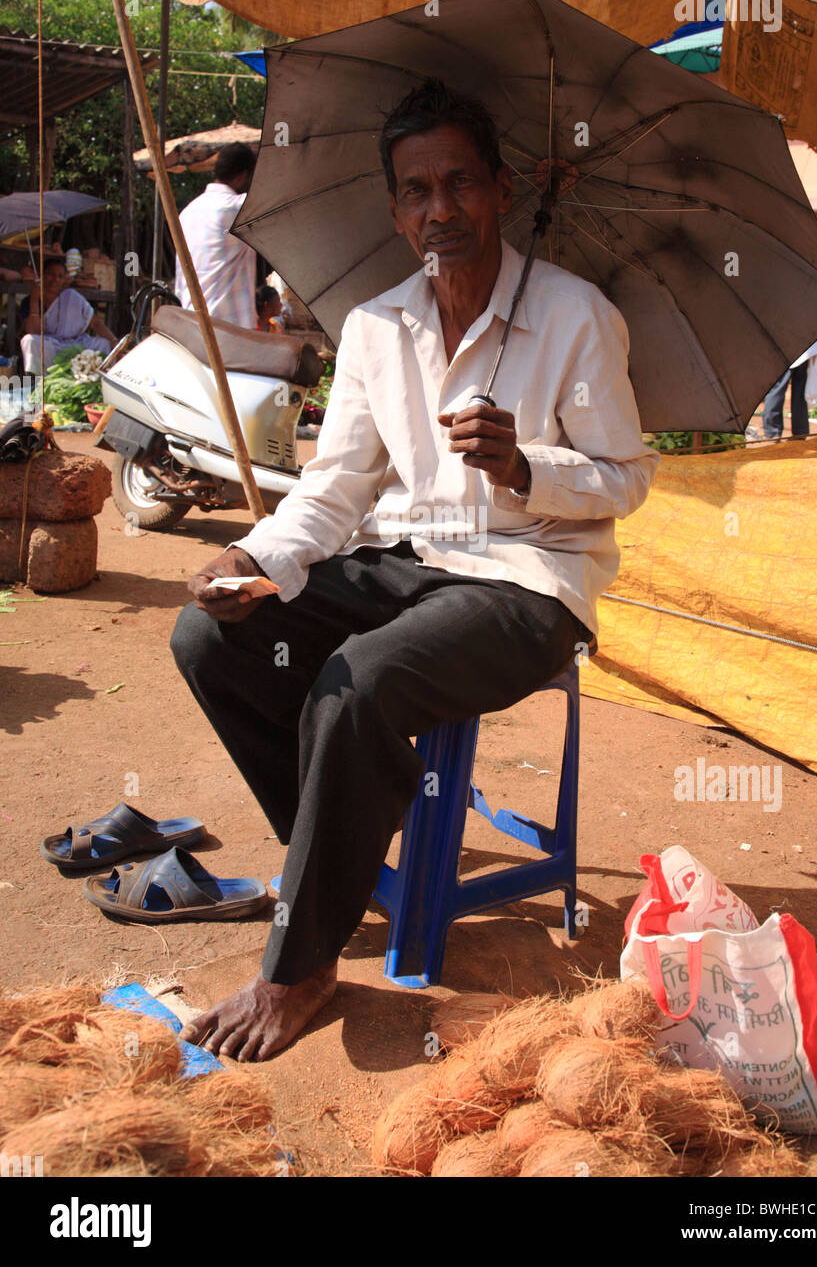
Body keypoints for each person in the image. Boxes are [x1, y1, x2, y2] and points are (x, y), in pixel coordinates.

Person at [170, 80, 659, 1062]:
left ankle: (298, 964)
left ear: (499, 188)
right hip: (407, 558)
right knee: (211, 634)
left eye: (459, 183)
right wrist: (255, 555)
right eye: (417, 190)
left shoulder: (573, 316)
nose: (441, 209)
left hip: (528, 581)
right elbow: (336, 488)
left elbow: (626, 481)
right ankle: (334, 863)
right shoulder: (373, 327)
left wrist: (527, 465)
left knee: (366, 682)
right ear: (396, 211)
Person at [174, 143, 257, 330]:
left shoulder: (187, 213)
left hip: (191, 325)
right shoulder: (237, 208)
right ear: (243, 176)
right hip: (228, 333)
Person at [19, 258, 116, 375]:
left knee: (103, 343)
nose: (56, 279)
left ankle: (98, 379)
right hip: (51, 345)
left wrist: (114, 341)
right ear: (41, 275)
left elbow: (95, 323)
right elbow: (33, 332)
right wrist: (34, 299)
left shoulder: (71, 297)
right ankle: (41, 380)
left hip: (76, 343)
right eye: (51, 274)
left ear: (64, 279)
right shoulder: (29, 301)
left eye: (60, 276)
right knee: (29, 340)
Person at [761, 340, 817, 440]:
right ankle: (800, 432)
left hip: (785, 349)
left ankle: (772, 432)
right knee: (799, 393)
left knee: (777, 389)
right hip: (804, 352)